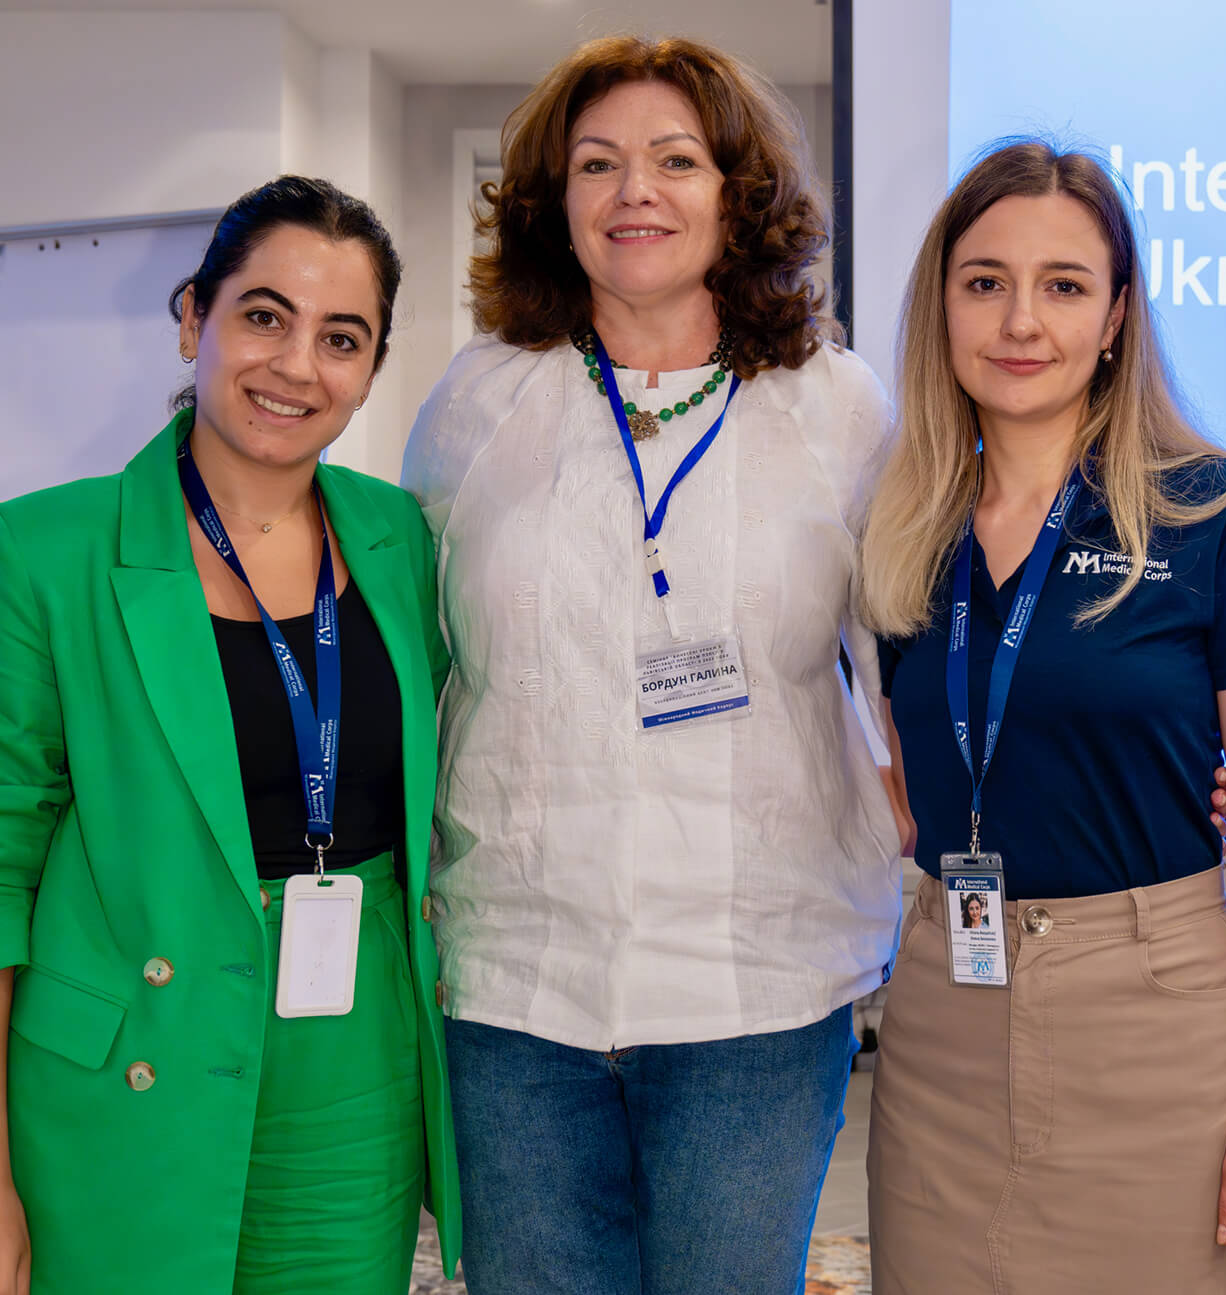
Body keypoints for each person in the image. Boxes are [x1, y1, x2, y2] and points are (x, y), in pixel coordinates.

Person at [401, 35, 899, 1295]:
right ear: (550, 203)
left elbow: (911, 657)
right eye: (597, 163)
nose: (636, 191)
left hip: (755, 990)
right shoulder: (479, 403)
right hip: (516, 984)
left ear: (735, 195)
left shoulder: (837, 407)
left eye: (676, 160)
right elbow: (410, 652)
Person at [0, 176, 458, 1295]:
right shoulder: (39, 553)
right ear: (192, 316)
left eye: (340, 337)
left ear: (370, 366)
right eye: (263, 315)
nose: (297, 365)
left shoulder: (400, 539)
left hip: (353, 1077)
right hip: (120, 1078)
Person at [860, 140, 1226, 1294]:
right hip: (940, 1033)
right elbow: (912, 776)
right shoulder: (900, 530)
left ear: (1116, 314)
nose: (1021, 320)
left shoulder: (1215, 511)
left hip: (1155, 1028)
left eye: (1063, 285)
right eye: (984, 282)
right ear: (941, 306)